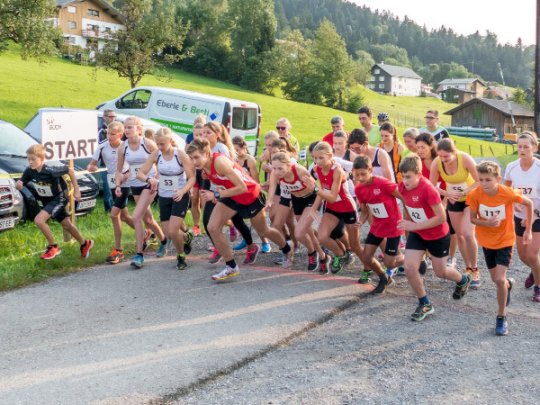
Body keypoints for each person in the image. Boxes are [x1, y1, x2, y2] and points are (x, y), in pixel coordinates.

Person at [187, 139, 292, 281]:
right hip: (232, 195)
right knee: (212, 227)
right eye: (191, 158)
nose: (194, 162)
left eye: (196, 157)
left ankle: (286, 249)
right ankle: (231, 266)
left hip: (250, 195)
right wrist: (218, 191)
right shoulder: (204, 167)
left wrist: (217, 194)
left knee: (263, 231)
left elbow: (242, 187)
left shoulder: (220, 162)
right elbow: (223, 183)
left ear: (207, 153)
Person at [398, 154, 472, 322]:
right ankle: (425, 303)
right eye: (403, 176)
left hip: (437, 234)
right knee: (409, 267)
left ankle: (463, 279)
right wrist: (407, 224)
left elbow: (441, 217)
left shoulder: (428, 189)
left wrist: (413, 226)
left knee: (441, 272)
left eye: (409, 177)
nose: (405, 180)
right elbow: (407, 205)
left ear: (418, 174)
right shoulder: (402, 187)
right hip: (418, 233)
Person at [467, 161, 533, 335]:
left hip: (505, 240)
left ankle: (501, 317)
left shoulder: (506, 193)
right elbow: (472, 219)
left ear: (498, 179)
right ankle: (508, 284)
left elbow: (528, 203)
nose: (484, 184)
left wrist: (528, 228)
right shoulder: (475, 194)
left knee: (498, 277)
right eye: (481, 179)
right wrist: (486, 222)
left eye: (488, 180)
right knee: (497, 280)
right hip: (487, 242)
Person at [303, 142, 374, 280]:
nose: (317, 162)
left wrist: (314, 188)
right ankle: (340, 254)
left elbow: (332, 196)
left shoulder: (337, 171)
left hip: (347, 208)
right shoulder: (318, 169)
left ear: (330, 156)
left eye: (320, 158)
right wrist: (313, 208)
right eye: (315, 158)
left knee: (355, 245)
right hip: (332, 208)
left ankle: (368, 268)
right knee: (322, 237)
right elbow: (323, 190)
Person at [16, 144, 94, 260]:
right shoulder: (29, 171)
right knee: (66, 224)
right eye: (28, 159)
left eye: (33, 159)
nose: (30, 162)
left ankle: (53, 247)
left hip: (59, 198)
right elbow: (21, 183)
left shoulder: (50, 170)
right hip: (47, 200)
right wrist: (19, 185)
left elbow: (70, 170)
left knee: (39, 220)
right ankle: (84, 244)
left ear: (42, 159)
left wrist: (76, 190)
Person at [137, 127, 196, 270]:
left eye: (162, 144)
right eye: (158, 144)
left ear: (170, 141)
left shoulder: (180, 154)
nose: (160, 147)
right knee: (169, 233)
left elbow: (192, 177)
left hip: (179, 195)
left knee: (174, 230)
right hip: (164, 195)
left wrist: (182, 191)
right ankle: (187, 236)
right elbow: (140, 173)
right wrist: (149, 180)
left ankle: (181, 256)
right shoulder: (156, 154)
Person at [200, 122, 256, 264]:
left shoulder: (221, 149)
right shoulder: (203, 149)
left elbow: (225, 173)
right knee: (207, 221)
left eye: (208, 133)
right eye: (203, 133)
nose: (204, 135)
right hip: (213, 188)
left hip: (227, 190)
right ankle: (220, 248)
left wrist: (219, 194)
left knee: (238, 221)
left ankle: (251, 246)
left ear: (218, 135)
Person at [115, 116, 166, 269]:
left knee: (136, 217)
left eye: (130, 127)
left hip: (149, 185)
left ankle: (139, 255)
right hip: (134, 184)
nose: (127, 130)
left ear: (138, 128)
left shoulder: (147, 143)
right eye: (125, 127)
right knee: (148, 220)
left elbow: (162, 162)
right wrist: (118, 184)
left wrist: (156, 179)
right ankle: (164, 240)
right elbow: (119, 170)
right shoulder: (122, 147)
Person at [430, 139, 479, 287]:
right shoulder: (437, 162)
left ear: (454, 152)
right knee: (460, 235)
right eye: (440, 156)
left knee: (468, 233)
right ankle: (468, 268)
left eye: (446, 157)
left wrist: (465, 191)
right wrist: (447, 194)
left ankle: (475, 269)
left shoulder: (464, 158)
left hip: (471, 197)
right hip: (453, 200)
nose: (443, 160)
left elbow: (479, 181)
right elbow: (431, 185)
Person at [267, 151, 327, 271]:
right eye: (274, 168)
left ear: (289, 165)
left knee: (299, 233)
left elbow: (318, 191)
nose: (277, 172)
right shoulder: (275, 173)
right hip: (297, 201)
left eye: (280, 168)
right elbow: (272, 188)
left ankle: (318, 254)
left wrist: (314, 210)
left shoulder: (300, 172)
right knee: (308, 232)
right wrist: (269, 201)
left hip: (311, 200)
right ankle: (317, 254)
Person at [87, 121, 134, 264]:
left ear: (120, 135)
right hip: (112, 182)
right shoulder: (102, 146)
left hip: (125, 181)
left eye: (113, 134)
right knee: (125, 216)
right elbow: (92, 163)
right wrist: (91, 167)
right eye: (108, 133)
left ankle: (118, 250)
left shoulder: (126, 146)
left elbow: (135, 165)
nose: (109, 136)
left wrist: (125, 176)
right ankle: (145, 233)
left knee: (114, 214)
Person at [353, 155, 404, 285]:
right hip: (377, 226)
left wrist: (409, 218)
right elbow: (365, 211)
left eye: (363, 174)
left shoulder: (383, 183)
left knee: (389, 263)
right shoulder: (359, 188)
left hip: (393, 225)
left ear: (371, 170)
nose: (360, 178)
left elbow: (403, 198)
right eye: (357, 174)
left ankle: (415, 257)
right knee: (366, 257)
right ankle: (383, 277)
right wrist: (360, 221)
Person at [503, 132, 540, 302]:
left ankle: (538, 286)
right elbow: (506, 192)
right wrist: (510, 208)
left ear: (535, 147)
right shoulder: (511, 167)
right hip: (519, 216)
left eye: (526, 146)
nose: (522, 150)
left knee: (532, 254)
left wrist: (534, 216)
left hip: (538, 216)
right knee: (523, 256)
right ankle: (535, 270)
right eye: (519, 146)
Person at [415, 133, 458, 267]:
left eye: (423, 147)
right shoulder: (418, 162)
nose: (420, 150)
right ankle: (428, 255)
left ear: (431, 146)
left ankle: (451, 257)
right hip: (428, 198)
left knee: (450, 228)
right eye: (418, 148)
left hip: (446, 194)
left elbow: (448, 181)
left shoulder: (440, 159)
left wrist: (445, 201)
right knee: (427, 225)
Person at [232, 135, 271, 253]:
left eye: (237, 150)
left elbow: (256, 181)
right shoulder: (232, 159)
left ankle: (265, 241)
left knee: (257, 222)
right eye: (233, 151)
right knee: (236, 218)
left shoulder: (249, 160)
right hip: (238, 193)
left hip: (251, 194)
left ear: (244, 148)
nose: (236, 153)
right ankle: (246, 239)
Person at [98, 109, 117, 213]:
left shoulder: (119, 129)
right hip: (105, 164)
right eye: (110, 116)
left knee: (120, 187)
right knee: (108, 189)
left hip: (119, 164)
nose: (113, 118)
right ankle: (109, 210)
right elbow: (100, 144)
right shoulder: (101, 131)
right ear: (104, 117)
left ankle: (121, 208)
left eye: (114, 116)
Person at [190, 122, 206, 236]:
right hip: (195, 175)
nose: (198, 137)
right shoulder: (191, 145)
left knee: (205, 202)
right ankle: (196, 226)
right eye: (196, 135)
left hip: (205, 176)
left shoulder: (206, 147)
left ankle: (209, 225)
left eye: (201, 134)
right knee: (194, 199)